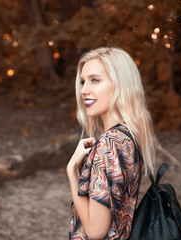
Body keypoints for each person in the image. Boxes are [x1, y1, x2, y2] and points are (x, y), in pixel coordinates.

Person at [67, 47, 157, 240]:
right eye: (83, 82)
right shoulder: (127, 137)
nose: (84, 90)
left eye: (95, 80)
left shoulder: (109, 144)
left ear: (120, 85)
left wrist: (72, 170)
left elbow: (95, 231)